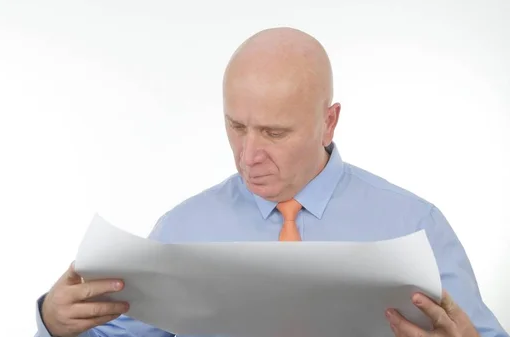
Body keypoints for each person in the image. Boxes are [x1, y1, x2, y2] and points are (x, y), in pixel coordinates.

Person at [35, 27, 508, 337]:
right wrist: (53, 323)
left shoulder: (414, 225)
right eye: (236, 126)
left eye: (274, 133)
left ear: (329, 122)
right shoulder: (182, 228)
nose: (248, 155)